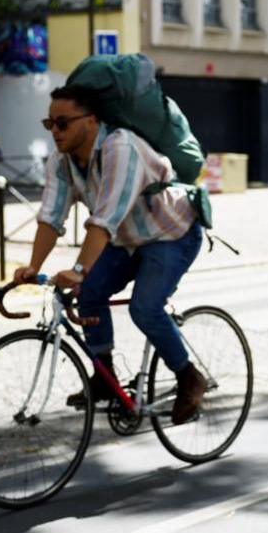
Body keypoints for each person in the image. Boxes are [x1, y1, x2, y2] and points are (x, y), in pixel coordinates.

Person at [13, 85, 206, 425]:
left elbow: (105, 219)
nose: (55, 131)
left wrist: (78, 268)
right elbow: (50, 216)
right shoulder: (63, 160)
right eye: (49, 124)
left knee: (145, 307)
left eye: (63, 123)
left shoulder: (120, 147)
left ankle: (189, 376)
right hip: (125, 240)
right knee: (87, 292)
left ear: (90, 121)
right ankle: (105, 378)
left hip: (171, 234)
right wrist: (32, 267)